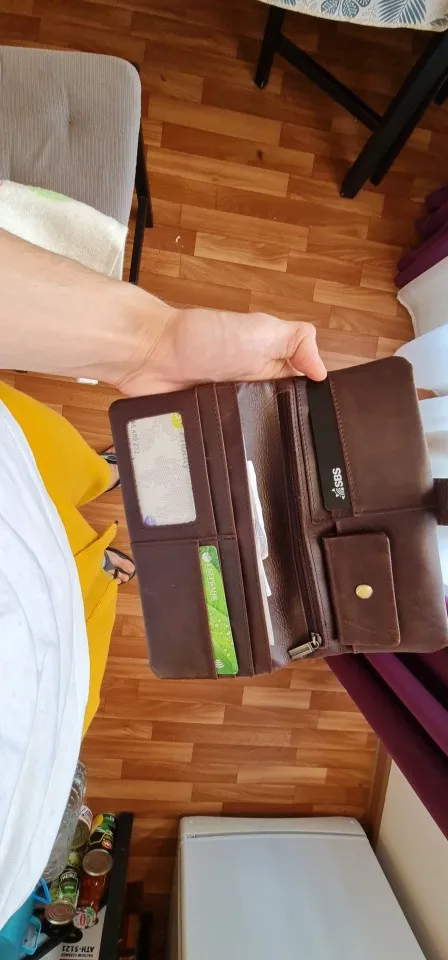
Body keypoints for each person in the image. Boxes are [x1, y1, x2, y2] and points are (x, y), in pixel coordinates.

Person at [0, 227, 326, 732]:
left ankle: (104, 481)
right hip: (45, 653)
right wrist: (152, 344)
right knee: (76, 556)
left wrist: (154, 343)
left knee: (64, 465)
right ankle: (97, 545)